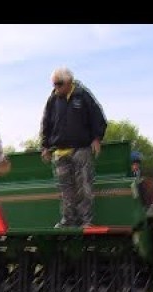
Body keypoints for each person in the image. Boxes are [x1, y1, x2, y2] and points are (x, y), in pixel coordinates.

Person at [40, 67, 107, 228]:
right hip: (59, 151)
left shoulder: (83, 96)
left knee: (84, 186)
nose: (56, 88)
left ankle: (86, 220)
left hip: (81, 149)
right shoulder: (52, 100)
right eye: (54, 85)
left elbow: (98, 118)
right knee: (65, 190)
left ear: (69, 82)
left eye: (59, 84)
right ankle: (68, 220)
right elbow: (46, 123)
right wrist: (45, 145)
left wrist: (97, 138)